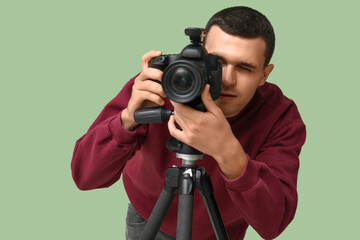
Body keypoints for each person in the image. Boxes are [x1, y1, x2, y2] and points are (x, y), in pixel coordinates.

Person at [71, 6, 306, 240]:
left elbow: (273, 223)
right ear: (201, 52)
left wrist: (228, 151)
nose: (227, 80)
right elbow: (84, 176)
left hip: (220, 229)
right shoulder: (164, 84)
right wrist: (128, 119)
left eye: (245, 68)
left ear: (265, 75)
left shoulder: (280, 115)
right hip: (149, 218)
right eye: (217, 62)